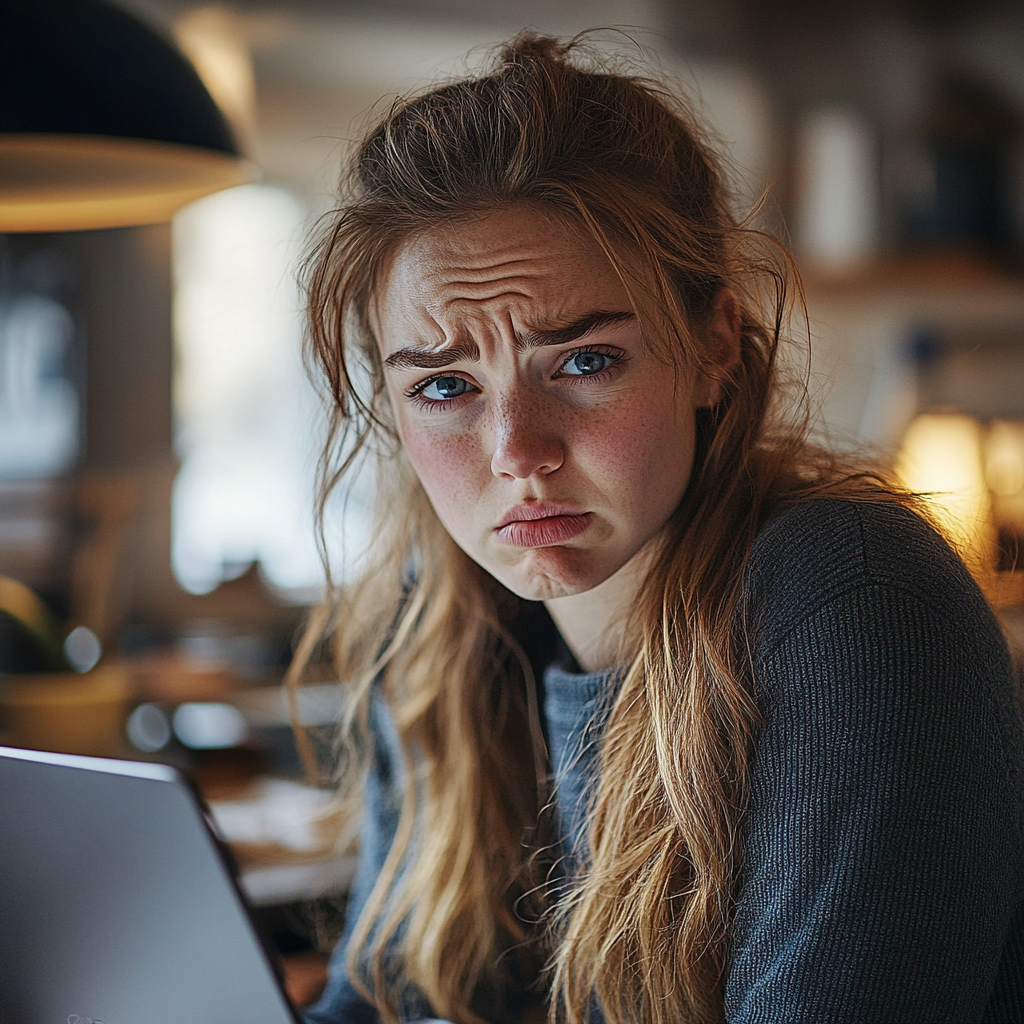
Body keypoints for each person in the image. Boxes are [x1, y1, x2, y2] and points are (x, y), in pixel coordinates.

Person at [295, 32, 1024, 1024]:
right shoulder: (440, 627)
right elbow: (385, 1000)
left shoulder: (853, 599)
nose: (518, 449)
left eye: (584, 361)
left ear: (713, 346)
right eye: (444, 385)